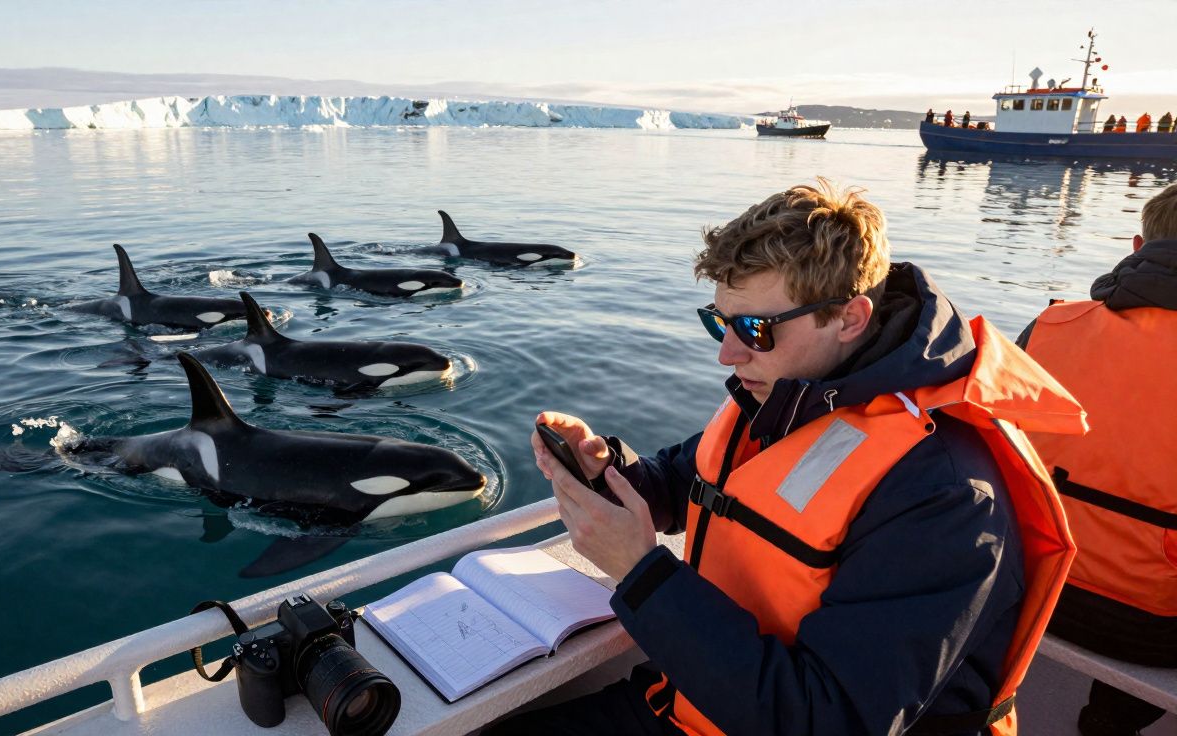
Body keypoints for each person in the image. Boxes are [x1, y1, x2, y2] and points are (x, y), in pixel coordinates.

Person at [486, 180, 1085, 736]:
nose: (727, 353)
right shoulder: (789, 392)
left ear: (849, 318)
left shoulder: (946, 493)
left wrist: (641, 572)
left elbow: (831, 720)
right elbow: (680, 480)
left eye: (754, 328)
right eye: (719, 322)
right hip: (696, 700)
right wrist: (607, 470)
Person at [1018, 182, 1177, 736]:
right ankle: (1109, 721)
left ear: (1138, 245)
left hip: (1026, 585)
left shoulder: (1050, 328)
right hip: (1154, 630)